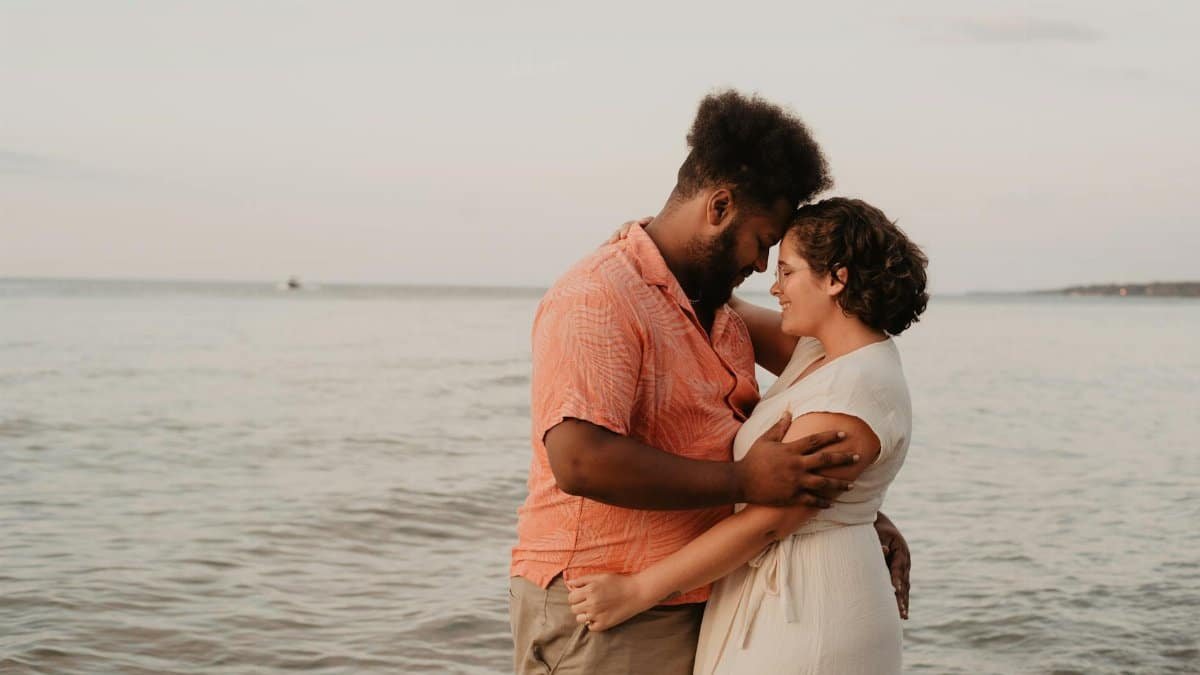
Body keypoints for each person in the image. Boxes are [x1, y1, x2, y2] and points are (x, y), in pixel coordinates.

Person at [510, 90, 911, 675]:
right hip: (604, 599)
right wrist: (745, 478)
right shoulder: (599, 295)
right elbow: (579, 461)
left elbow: (843, 370)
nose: (759, 267)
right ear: (719, 206)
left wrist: (856, 508)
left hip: (697, 590)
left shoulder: (717, 308)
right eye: (762, 243)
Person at [566, 198, 929, 674]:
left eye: (787, 271)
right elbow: (719, 298)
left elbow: (769, 522)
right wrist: (648, 244)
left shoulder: (855, 386)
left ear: (836, 278)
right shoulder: (819, 354)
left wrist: (636, 592)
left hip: (810, 609)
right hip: (778, 595)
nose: (774, 287)